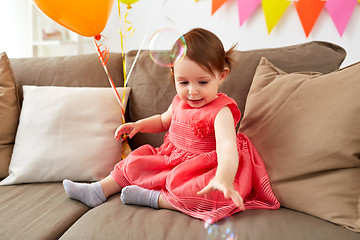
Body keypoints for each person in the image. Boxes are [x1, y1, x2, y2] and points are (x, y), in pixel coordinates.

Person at [63, 28, 280, 223]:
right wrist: (138, 125)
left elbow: (226, 147)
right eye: (183, 82)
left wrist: (223, 176)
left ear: (221, 76)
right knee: (134, 162)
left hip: (203, 168)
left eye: (202, 82)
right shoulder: (179, 102)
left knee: (202, 193)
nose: (192, 91)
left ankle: (155, 199)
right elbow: (162, 120)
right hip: (171, 158)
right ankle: (98, 190)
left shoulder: (221, 111)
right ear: (174, 75)